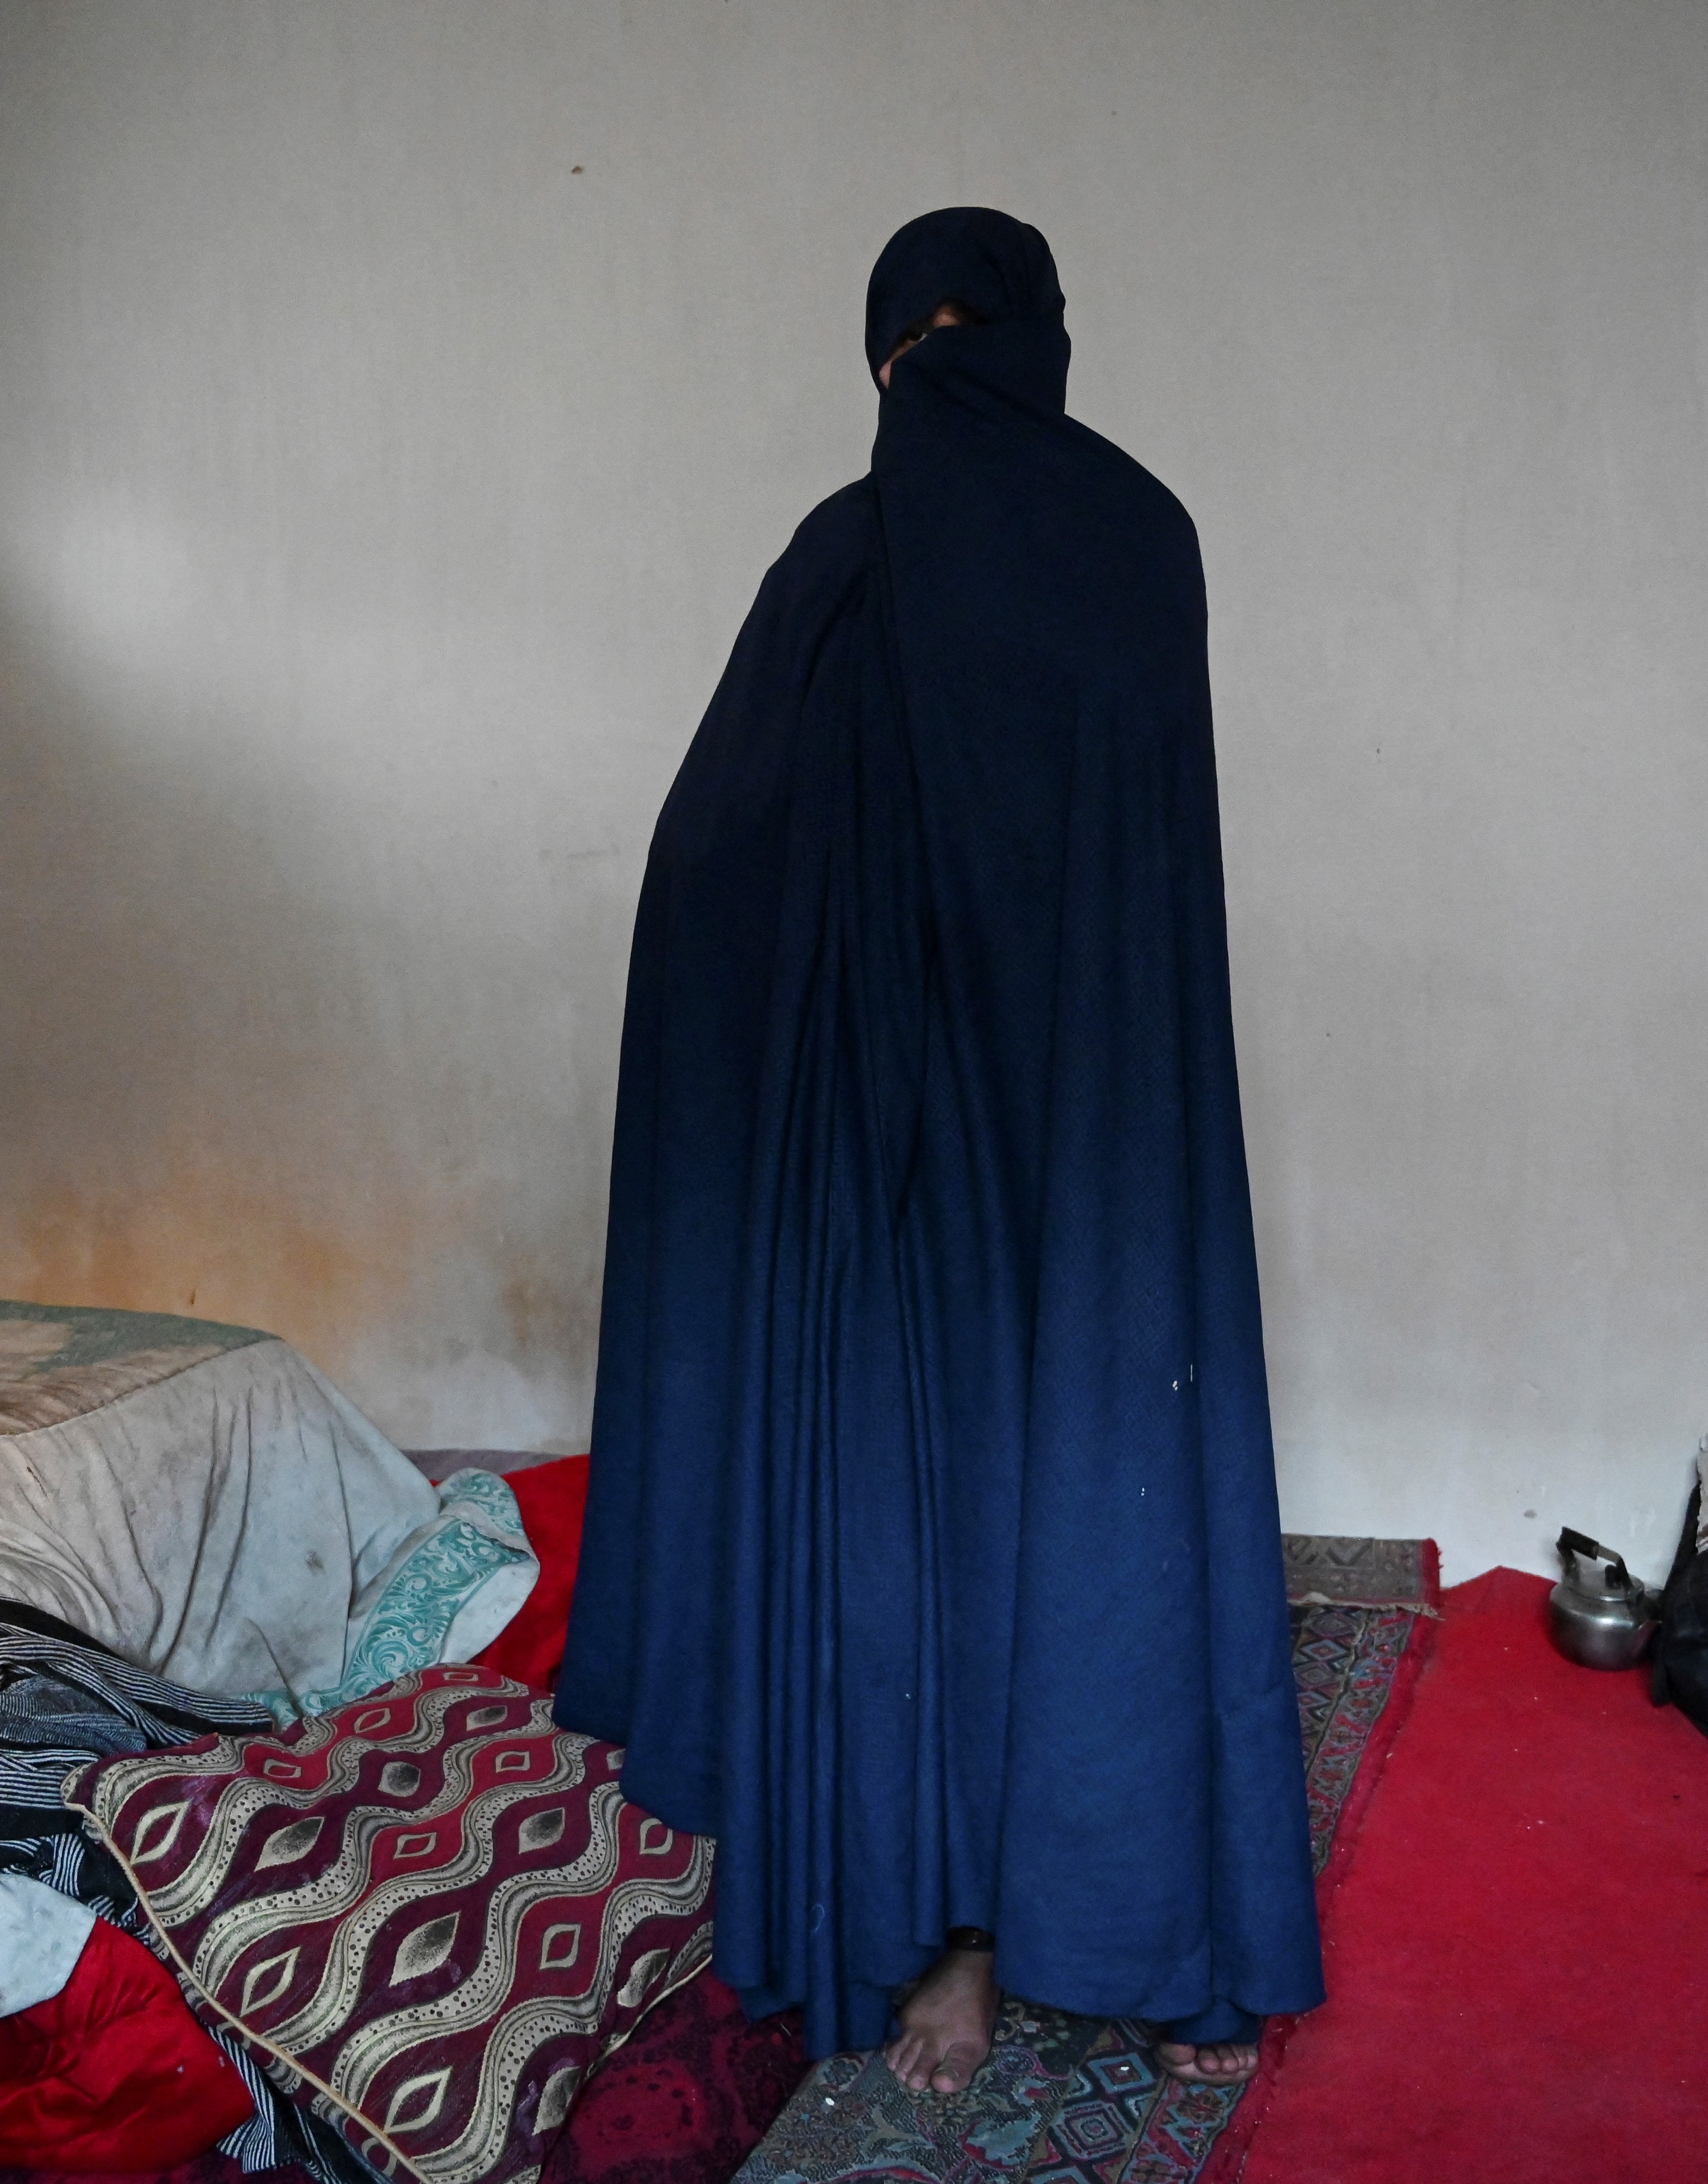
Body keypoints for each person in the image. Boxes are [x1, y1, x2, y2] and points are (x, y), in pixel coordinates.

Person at [555, 208, 1322, 2098]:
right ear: (1048, 343)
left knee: (935, 1543)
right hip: (1073, 1171)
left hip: (933, 1187)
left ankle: (962, 1951)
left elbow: (701, 883)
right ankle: (1153, 1951)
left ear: (887, 356)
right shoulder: (1125, 534)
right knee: (1108, 1524)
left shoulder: (863, 548)